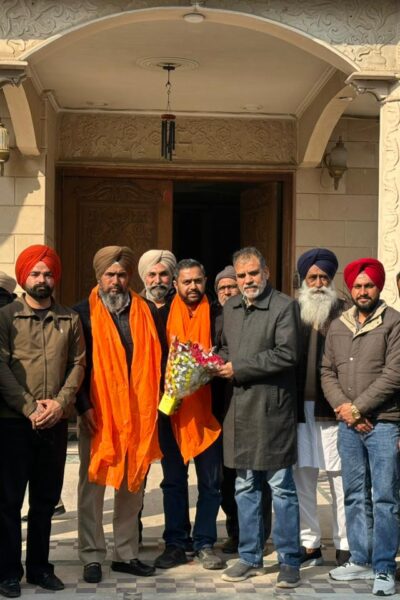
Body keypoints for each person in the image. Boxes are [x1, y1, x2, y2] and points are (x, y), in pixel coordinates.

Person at [0, 245, 85, 598]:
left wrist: (60, 404)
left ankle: (39, 568)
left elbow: (78, 364)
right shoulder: (6, 317)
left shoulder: (70, 319)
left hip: (54, 423)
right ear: (24, 277)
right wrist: (29, 407)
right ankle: (7, 572)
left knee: (45, 502)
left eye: (48, 273)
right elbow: (1, 367)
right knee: (8, 502)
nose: (42, 279)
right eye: (35, 273)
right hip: (13, 423)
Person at [74, 246, 162, 584]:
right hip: (98, 412)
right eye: (109, 275)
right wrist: (83, 406)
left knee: (132, 483)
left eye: (122, 275)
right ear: (98, 277)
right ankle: (92, 555)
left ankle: (125, 553)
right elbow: (75, 366)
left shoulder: (145, 310)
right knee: (93, 484)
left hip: (138, 413)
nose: (116, 281)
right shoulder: (81, 313)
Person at [218, 246, 301, 589]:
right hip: (239, 411)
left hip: (272, 410)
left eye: (253, 273)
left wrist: (239, 368)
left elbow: (287, 354)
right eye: (241, 275)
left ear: (266, 272)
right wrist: (211, 362)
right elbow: (228, 349)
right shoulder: (231, 308)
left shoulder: (284, 306)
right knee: (245, 485)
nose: (247, 280)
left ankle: (289, 560)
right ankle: (250, 556)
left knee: (281, 487)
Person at [321, 257, 400, 597]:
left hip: (384, 424)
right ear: (350, 289)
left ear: (378, 287)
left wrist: (357, 408)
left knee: (385, 498)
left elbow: (394, 374)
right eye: (357, 286)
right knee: (354, 495)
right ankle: (360, 558)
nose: (363, 291)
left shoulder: (394, 322)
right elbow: (327, 371)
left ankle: (384, 567)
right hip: (349, 427)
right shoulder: (338, 325)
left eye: (368, 285)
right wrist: (346, 409)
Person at [154, 259, 224, 571]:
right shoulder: (161, 315)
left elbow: (226, 351)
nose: (192, 287)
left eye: (197, 281)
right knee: (173, 482)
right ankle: (175, 543)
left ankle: (205, 542)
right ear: (175, 284)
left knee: (211, 483)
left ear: (205, 280)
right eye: (186, 282)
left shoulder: (220, 315)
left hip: (210, 411)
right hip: (171, 412)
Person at [293, 248, 350, 568]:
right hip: (298, 409)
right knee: (303, 476)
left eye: (323, 277)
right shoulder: (292, 311)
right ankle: (309, 543)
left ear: (331, 279)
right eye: (312, 277)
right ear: (304, 280)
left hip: (334, 409)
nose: (318, 284)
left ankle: (345, 544)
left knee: (339, 477)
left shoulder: (345, 311)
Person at [214, 266, 272, 555]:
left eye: (231, 286)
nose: (227, 291)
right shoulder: (216, 317)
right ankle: (236, 533)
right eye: (222, 287)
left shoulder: (256, 315)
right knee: (228, 478)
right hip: (218, 407)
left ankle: (258, 535)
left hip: (251, 404)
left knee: (257, 475)